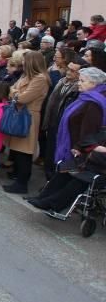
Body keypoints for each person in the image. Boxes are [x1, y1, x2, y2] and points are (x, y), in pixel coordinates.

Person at [27, 69, 106, 211]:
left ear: (94, 83)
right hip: (84, 146)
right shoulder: (88, 97)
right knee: (65, 171)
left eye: (82, 81)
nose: (78, 84)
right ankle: (43, 198)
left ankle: (53, 203)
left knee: (77, 175)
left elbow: (90, 129)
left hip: (88, 149)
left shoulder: (94, 102)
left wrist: (81, 146)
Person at [2, 51, 51, 194]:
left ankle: (22, 183)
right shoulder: (26, 76)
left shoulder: (40, 79)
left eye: (24, 61)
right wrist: (16, 93)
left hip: (29, 116)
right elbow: (11, 90)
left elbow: (23, 98)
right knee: (17, 149)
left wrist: (15, 93)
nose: (22, 63)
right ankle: (17, 176)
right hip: (20, 113)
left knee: (25, 150)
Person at [41, 60, 82, 180]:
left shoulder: (77, 89)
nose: (68, 72)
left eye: (73, 71)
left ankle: (52, 181)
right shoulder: (61, 81)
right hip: (53, 122)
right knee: (49, 155)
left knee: (57, 157)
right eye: (68, 69)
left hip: (63, 127)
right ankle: (48, 181)